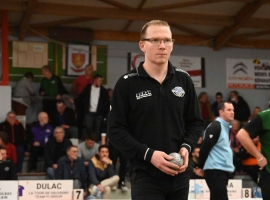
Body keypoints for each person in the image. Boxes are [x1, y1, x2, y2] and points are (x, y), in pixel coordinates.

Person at [107, 20, 204, 200]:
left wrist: (186, 146)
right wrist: (149, 155)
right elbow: (115, 131)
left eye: (167, 40)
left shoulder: (184, 80)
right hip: (145, 175)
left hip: (180, 174)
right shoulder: (127, 83)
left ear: (172, 45)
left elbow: (196, 123)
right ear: (142, 45)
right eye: (156, 40)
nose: (162, 46)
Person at [197, 101, 235, 200]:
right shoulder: (216, 126)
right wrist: (200, 166)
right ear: (221, 112)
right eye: (229, 110)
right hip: (215, 170)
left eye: (233, 110)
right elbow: (205, 147)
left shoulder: (225, 127)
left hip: (222, 170)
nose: (232, 112)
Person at [73, 74, 110, 143]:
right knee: (88, 128)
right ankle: (88, 141)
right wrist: (74, 101)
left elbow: (106, 103)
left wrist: (104, 112)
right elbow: (81, 96)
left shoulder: (103, 91)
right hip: (89, 112)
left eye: (101, 81)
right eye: (99, 80)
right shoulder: (88, 88)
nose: (101, 82)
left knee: (97, 129)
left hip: (99, 113)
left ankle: (95, 143)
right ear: (95, 80)